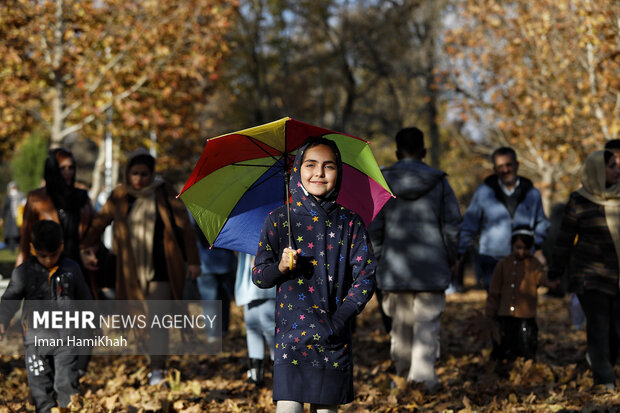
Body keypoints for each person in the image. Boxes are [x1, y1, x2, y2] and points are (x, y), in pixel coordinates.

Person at [252, 137, 376, 413]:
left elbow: (366, 277)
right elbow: (259, 276)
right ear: (297, 170)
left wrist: (339, 320)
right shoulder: (279, 220)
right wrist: (281, 267)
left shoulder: (350, 222)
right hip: (290, 341)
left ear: (339, 173)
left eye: (328, 166)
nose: (319, 173)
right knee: (288, 408)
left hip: (333, 338)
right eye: (310, 165)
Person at [83, 148, 201, 385]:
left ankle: (157, 369)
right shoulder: (119, 195)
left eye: (144, 174)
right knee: (138, 321)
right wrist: (85, 247)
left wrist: (193, 260)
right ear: (127, 173)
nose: (139, 179)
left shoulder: (164, 192)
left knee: (158, 320)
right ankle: (149, 363)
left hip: (162, 268)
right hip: (129, 271)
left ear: (152, 174)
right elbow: (99, 223)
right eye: (134, 173)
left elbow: (184, 228)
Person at [368, 127, 461, 392]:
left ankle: (401, 377)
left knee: (400, 327)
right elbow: (453, 226)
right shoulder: (440, 182)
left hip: (395, 269)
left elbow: (375, 227)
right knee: (427, 326)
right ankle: (423, 380)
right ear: (424, 151)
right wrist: (451, 256)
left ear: (397, 153)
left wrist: (379, 259)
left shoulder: (382, 182)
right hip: (432, 267)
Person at [0, 220, 92, 412]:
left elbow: (86, 302)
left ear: (62, 246)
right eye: (42, 256)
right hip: (36, 342)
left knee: (66, 384)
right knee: (40, 389)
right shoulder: (23, 273)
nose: (48, 261)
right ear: (32, 248)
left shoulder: (71, 269)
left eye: (53, 255)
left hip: (67, 340)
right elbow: (10, 300)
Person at [548, 150, 620, 389]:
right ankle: (605, 379)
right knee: (599, 328)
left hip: (616, 278)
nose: (617, 169)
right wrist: (555, 273)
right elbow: (565, 239)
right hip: (590, 278)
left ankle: (605, 364)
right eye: (611, 166)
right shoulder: (579, 200)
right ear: (598, 170)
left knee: (615, 331)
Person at [456, 147, 549, 290]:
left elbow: (541, 222)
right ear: (494, 169)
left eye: (508, 165)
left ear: (517, 165)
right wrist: (459, 253)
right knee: (496, 305)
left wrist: (537, 247)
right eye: (500, 167)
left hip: (524, 258)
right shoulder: (483, 193)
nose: (505, 170)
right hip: (492, 259)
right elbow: (469, 225)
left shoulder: (532, 193)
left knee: (521, 307)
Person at [486, 225, 558, 361]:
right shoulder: (503, 264)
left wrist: (550, 282)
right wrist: (490, 312)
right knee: (503, 345)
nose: (521, 252)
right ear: (512, 246)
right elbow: (494, 290)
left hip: (525, 315)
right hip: (505, 314)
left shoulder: (533, 264)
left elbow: (541, 276)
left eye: (525, 248)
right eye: (518, 247)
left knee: (526, 345)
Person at [16, 148, 94, 267]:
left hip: (78, 267)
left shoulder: (82, 197)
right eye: (62, 168)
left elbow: (93, 232)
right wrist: (19, 276)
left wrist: (88, 251)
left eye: (71, 167)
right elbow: (25, 241)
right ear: (53, 169)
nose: (68, 172)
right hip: (47, 268)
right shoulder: (37, 198)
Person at [235, 252, 275, 386]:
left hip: (267, 285)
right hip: (250, 285)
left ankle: (278, 373)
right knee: (253, 329)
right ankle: (256, 374)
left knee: (270, 330)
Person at [0, 181, 25, 251]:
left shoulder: (22, 196)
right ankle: (12, 249)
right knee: (11, 234)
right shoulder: (9, 197)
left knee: (19, 233)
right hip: (11, 219)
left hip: (20, 217)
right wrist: (1, 217)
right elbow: (4, 208)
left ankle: (19, 247)